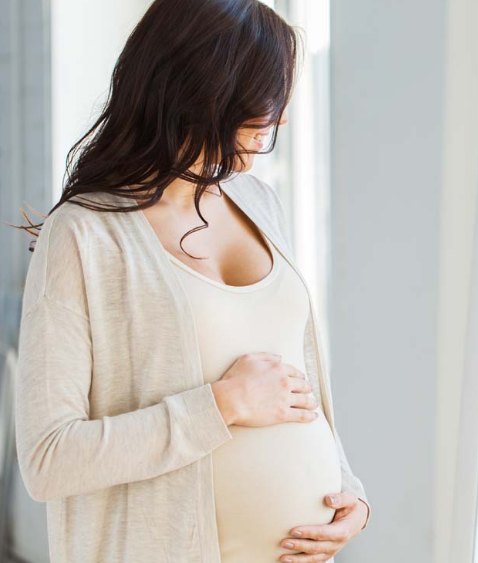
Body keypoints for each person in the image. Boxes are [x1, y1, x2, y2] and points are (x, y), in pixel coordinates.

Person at [10, 1, 369, 562]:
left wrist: (350, 495)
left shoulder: (259, 203)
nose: (275, 128)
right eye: (261, 113)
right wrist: (221, 405)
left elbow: (296, 384)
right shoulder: (84, 236)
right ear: (203, 94)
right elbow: (49, 458)